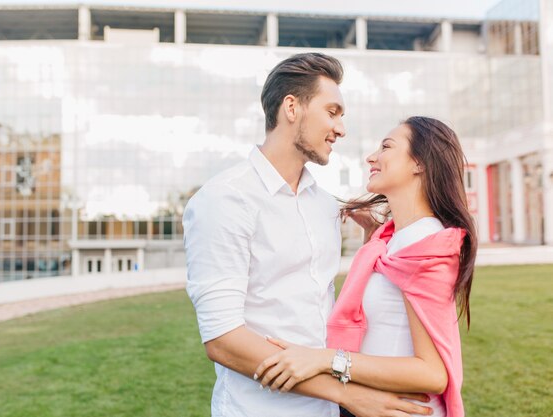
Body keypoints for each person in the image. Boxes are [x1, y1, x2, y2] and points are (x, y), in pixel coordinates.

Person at [183, 53, 433, 417]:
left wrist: (374, 242)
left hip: (327, 410)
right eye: (332, 112)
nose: (341, 129)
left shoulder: (325, 205)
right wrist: (348, 395)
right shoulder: (224, 200)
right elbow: (224, 341)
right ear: (291, 108)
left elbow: (327, 305)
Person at [254, 116, 477, 417]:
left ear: (420, 163)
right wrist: (372, 237)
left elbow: (433, 374)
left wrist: (326, 359)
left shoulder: (426, 246)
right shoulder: (395, 239)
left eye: (386, 146)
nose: (371, 157)